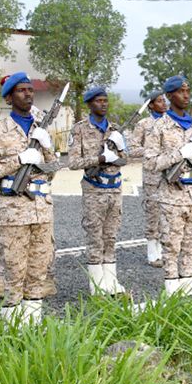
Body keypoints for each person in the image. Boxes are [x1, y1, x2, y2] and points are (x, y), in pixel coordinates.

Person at [0, 72, 58, 322]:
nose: (28, 94)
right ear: (9, 98)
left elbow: (52, 170)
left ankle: (32, 323)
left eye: (30, 90)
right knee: (13, 272)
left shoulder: (40, 129)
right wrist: (18, 160)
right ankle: (11, 327)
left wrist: (46, 147)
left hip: (41, 209)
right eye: (21, 90)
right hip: (12, 211)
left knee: (38, 271)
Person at [144, 75, 192, 295]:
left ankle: (189, 291)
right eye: (181, 91)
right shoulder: (159, 127)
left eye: (188, 91)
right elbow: (151, 162)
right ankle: (172, 292)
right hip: (172, 196)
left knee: (191, 245)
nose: (186, 95)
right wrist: (179, 153)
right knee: (171, 247)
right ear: (170, 96)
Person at [68, 86, 128, 295]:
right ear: (89, 104)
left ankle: (111, 282)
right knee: (95, 237)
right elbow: (73, 162)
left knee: (111, 236)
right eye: (98, 101)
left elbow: (125, 159)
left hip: (115, 188)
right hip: (94, 189)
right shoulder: (79, 130)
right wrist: (100, 158)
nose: (103, 104)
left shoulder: (115, 129)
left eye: (105, 100)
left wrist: (119, 150)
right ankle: (97, 286)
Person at [136, 90, 169, 267]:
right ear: (150, 105)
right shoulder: (143, 124)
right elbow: (132, 148)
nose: (164, 104)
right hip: (152, 176)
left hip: (169, 174)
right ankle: (152, 252)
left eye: (164, 100)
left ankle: (165, 250)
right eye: (159, 101)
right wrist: (152, 151)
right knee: (153, 213)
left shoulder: (170, 123)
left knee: (168, 213)